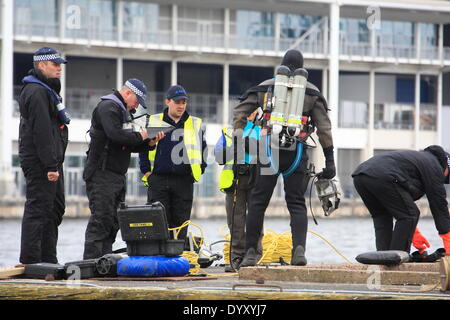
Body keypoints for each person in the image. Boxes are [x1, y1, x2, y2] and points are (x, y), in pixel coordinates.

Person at [240, 49, 336, 267]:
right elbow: (324, 130)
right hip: (297, 153)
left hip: (268, 152)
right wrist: (330, 161)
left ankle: (250, 254)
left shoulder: (265, 87)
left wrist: (243, 142)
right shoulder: (311, 92)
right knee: (296, 203)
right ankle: (298, 252)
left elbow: (240, 113)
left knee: (257, 203)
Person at [83, 78, 163, 259]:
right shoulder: (108, 108)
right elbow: (116, 135)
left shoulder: (122, 111)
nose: (136, 107)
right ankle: (91, 263)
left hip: (116, 175)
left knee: (113, 222)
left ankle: (104, 261)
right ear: (128, 93)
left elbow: (125, 145)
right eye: (136, 101)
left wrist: (149, 142)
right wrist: (141, 135)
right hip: (101, 174)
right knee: (101, 220)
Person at [18, 47, 69, 264]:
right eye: (54, 64)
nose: (59, 68)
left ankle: (48, 259)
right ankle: (30, 261)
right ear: (41, 65)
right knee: (38, 210)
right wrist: (50, 166)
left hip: (52, 161)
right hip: (42, 163)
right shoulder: (37, 92)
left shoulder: (47, 89)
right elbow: (41, 132)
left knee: (55, 209)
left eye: (60, 65)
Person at [352, 145, 450, 255]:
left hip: (360, 176)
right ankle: (396, 260)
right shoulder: (435, 166)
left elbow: (399, 206)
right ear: (447, 166)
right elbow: (439, 204)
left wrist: (413, 232)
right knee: (410, 215)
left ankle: (383, 258)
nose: (444, 180)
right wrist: (447, 237)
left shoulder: (420, 160)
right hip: (383, 176)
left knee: (382, 216)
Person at [145, 85, 207, 241]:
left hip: (183, 181)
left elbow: (203, 151)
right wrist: (147, 172)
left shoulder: (194, 123)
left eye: (184, 102)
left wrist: (197, 172)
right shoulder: (155, 121)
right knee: (158, 224)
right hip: (158, 180)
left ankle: (177, 259)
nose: (181, 106)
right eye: (177, 102)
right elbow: (143, 149)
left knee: (181, 225)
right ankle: (159, 261)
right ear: (167, 102)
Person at [214, 106, 264, 271]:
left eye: (252, 110)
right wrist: (234, 149)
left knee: (255, 220)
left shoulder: (262, 130)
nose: (249, 114)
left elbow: (269, 155)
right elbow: (218, 156)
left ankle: (253, 256)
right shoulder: (228, 131)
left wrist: (253, 146)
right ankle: (236, 258)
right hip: (234, 181)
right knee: (235, 221)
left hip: (256, 181)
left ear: (257, 113)